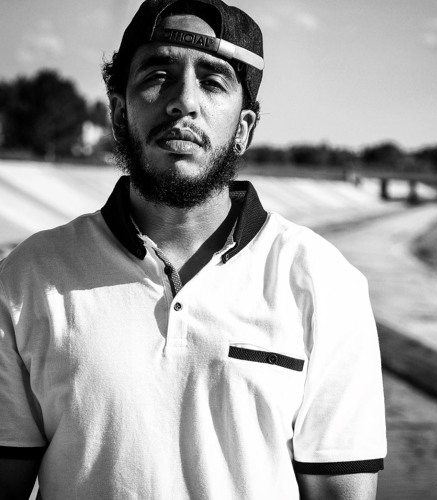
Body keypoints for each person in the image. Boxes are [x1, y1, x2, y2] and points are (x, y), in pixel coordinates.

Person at [0, 0, 386, 498]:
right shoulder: (26, 278)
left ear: (243, 129)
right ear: (119, 113)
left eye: (212, 81)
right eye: (158, 75)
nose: (183, 101)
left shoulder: (326, 283)